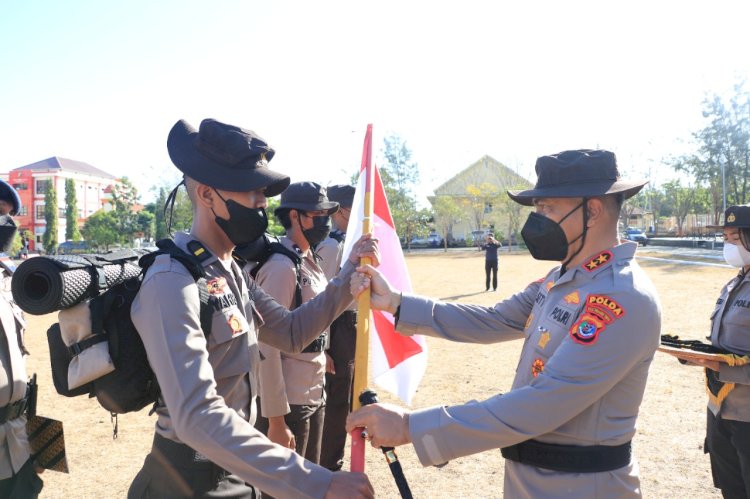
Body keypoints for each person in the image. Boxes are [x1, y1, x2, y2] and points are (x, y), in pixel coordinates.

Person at [347, 149, 662, 498]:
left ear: (592, 210)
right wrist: (396, 303)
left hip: (582, 486)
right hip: (531, 478)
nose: (537, 219)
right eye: (537, 209)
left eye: (549, 209)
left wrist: (410, 426)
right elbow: (493, 319)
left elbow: (545, 403)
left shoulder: (621, 296)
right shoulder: (564, 278)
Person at [128, 118, 375, 499]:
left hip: (237, 469)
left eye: (262, 190)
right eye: (250, 190)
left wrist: (347, 278)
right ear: (207, 195)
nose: (262, 202)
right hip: (187, 480)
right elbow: (196, 416)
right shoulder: (172, 279)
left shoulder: (228, 271)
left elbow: (291, 332)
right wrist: (317, 481)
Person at [253, 181, 339, 466]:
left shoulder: (308, 259)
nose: (325, 221)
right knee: (285, 487)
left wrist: (322, 349)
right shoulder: (281, 267)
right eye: (318, 215)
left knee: (309, 480)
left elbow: (311, 318)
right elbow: (267, 346)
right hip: (289, 400)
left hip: (313, 389)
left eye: (327, 214)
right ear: (294, 216)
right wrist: (275, 419)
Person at [688, 205, 750, 498]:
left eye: (734, 238)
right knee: (731, 490)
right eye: (725, 238)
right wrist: (698, 352)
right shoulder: (734, 283)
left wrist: (720, 366)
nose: (728, 245)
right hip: (721, 410)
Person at [0, 180, 43, 498]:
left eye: (7, 216)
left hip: (17, 441)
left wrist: (35, 439)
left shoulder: (6, 279)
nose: (6, 224)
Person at [316, 184, 358, 471]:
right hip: (337, 327)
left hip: (350, 326)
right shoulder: (333, 245)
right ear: (342, 210)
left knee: (347, 400)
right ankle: (328, 464)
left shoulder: (347, 242)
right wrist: (325, 347)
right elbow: (324, 300)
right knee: (335, 404)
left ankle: (334, 459)